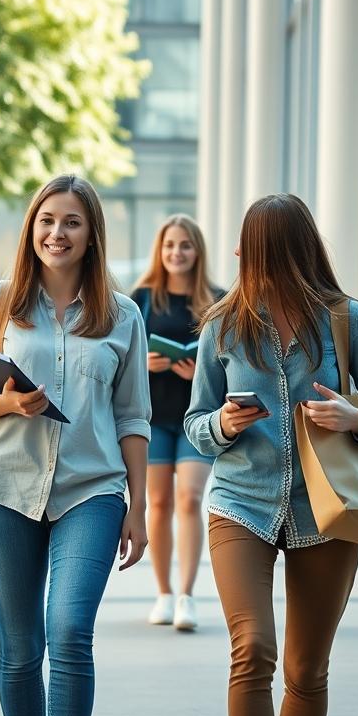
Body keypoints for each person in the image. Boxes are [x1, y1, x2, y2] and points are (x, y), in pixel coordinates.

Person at [184, 193, 358, 716]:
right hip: (241, 504)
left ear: (280, 253)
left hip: (327, 512)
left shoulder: (347, 320)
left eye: (249, 249)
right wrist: (222, 426)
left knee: (306, 670)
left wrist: (357, 419)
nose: (236, 256)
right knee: (253, 649)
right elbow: (195, 423)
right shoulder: (223, 327)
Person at [0, 175, 151, 716]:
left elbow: (133, 417)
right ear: (32, 226)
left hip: (93, 490)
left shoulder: (123, 316)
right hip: (5, 488)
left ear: (92, 235)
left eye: (72, 222)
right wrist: (7, 403)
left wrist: (139, 506)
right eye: (47, 220)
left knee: (69, 631)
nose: (57, 233)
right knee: (20, 649)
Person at [129, 214, 223, 630]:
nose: (177, 253)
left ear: (197, 250)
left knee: (189, 498)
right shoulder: (143, 299)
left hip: (196, 418)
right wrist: (142, 364)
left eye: (185, 245)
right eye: (170, 245)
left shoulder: (218, 300)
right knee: (159, 502)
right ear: (159, 250)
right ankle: (163, 594)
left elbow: (231, 361)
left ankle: (187, 595)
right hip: (153, 417)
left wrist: (200, 369)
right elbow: (119, 356)